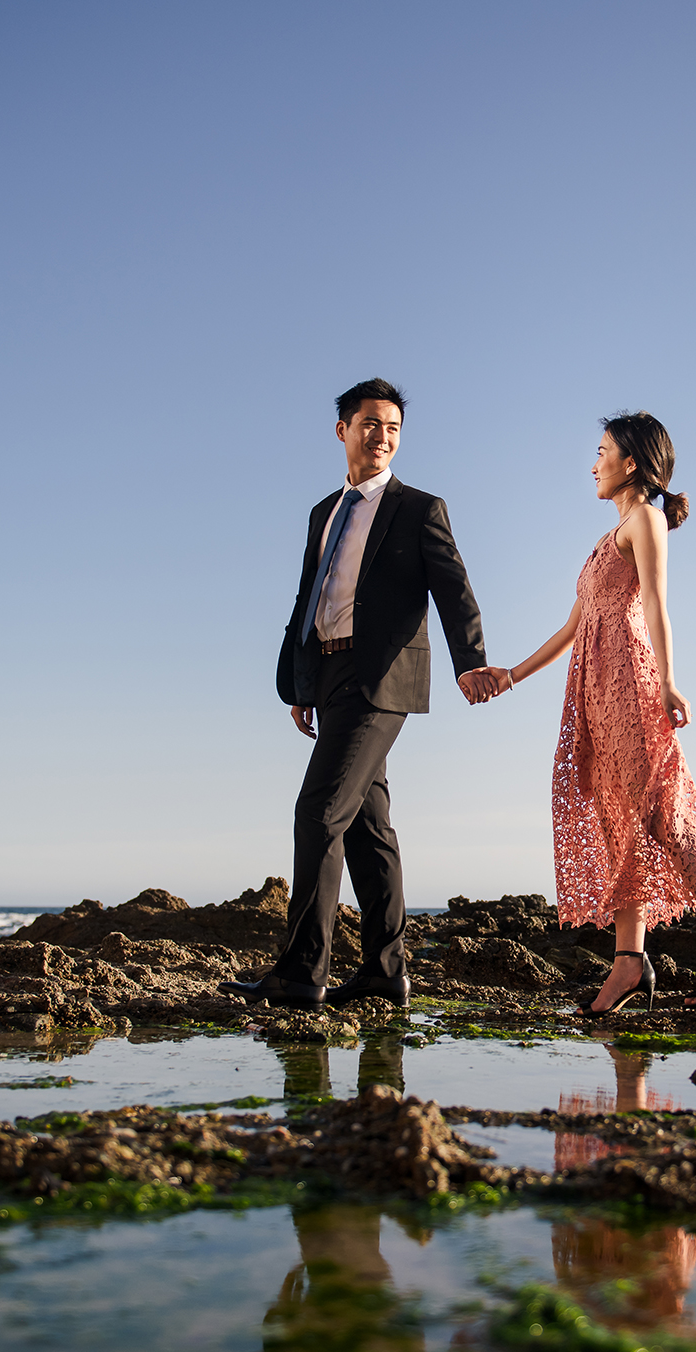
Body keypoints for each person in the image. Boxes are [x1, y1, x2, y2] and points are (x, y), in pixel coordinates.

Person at [467, 412, 696, 1013]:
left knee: (661, 809)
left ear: (631, 463)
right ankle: (630, 961)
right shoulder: (606, 538)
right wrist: (510, 676)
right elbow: (574, 627)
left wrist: (670, 681)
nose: (593, 463)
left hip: (631, 680)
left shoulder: (646, 519)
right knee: (616, 819)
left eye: (602, 452)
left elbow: (656, 602)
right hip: (592, 690)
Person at [223, 379, 500, 1010]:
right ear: (343, 430)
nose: (382, 436)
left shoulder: (420, 508)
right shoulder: (325, 511)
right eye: (370, 424)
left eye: (393, 427)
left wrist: (471, 663)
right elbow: (310, 598)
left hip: (382, 681)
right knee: (365, 828)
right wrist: (300, 683)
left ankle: (301, 974)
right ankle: (384, 969)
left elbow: (455, 591)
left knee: (317, 812)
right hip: (328, 674)